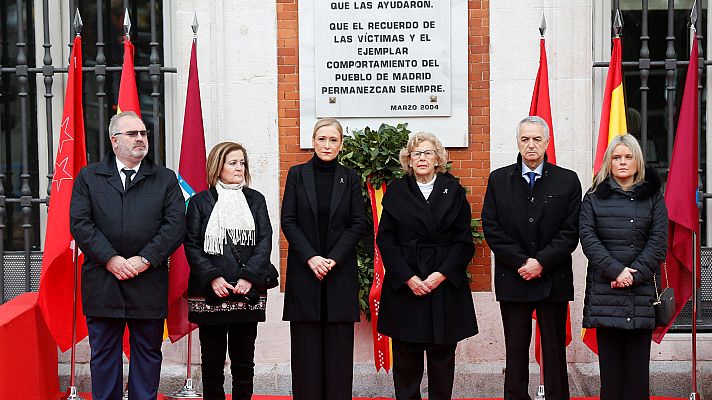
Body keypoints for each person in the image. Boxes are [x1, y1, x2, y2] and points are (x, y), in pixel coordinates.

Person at [70, 111, 186, 400]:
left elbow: (175, 226)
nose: (140, 139)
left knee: (147, 353)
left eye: (143, 133)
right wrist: (111, 258)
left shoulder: (164, 178)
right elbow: (80, 224)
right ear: (114, 140)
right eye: (132, 134)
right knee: (104, 355)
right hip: (103, 280)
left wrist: (144, 258)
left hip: (147, 280)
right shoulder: (89, 177)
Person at [482, 116, 581, 400]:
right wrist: (522, 262)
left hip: (553, 277)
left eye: (537, 139)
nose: (531, 145)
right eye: (525, 139)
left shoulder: (567, 179)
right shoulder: (499, 179)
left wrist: (541, 262)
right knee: (515, 351)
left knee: (554, 350)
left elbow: (570, 231)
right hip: (514, 278)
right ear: (518, 142)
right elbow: (492, 227)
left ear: (547, 142)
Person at [376, 132, 478, 400]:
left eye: (427, 153)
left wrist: (441, 274)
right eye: (416, 153)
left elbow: (463, 241)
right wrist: (408, 277)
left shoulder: (453, 190)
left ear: (438, 159)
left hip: (443, 285)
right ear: (408, 160)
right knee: (406, 361)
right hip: (406, 285)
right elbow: (386, 240)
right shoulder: (397, 191)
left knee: (442, 358)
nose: (422, 158)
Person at [281, 117, 365, 400]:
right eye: (322, 139)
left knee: (339, 354)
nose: (327, 145)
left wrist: (332, 259)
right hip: (305, 275)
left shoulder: (351, 178)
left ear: (341, 144)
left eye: (333, 140)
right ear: (312, 141)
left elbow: (357, 223)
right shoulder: (296, 174)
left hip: (339, 275)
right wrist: (312, 259)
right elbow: (289, 221)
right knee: (306, 354)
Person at [184, 142, 275, 400]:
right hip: (210, 293)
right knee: (212, 362)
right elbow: (191, 244)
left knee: (244, 362)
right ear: (217, 166)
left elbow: (264, 241)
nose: (239, 168)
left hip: (247, 293)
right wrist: (213, 277)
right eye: (232, 163)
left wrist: (249, 277)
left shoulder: (255, 199)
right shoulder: (200, 202)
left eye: (242, 162)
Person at [580, 134, 667, 400]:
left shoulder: (653, 196)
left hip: (640, 294)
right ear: (609, 161)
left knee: (638, 375)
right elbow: (588, 238)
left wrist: (634, 274)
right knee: (611, 374)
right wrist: (616, 271)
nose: (622, 162)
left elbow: (659, 240)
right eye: (617, 157)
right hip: (606, 291)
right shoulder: (594, 196)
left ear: (637, 160)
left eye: (628, 157)